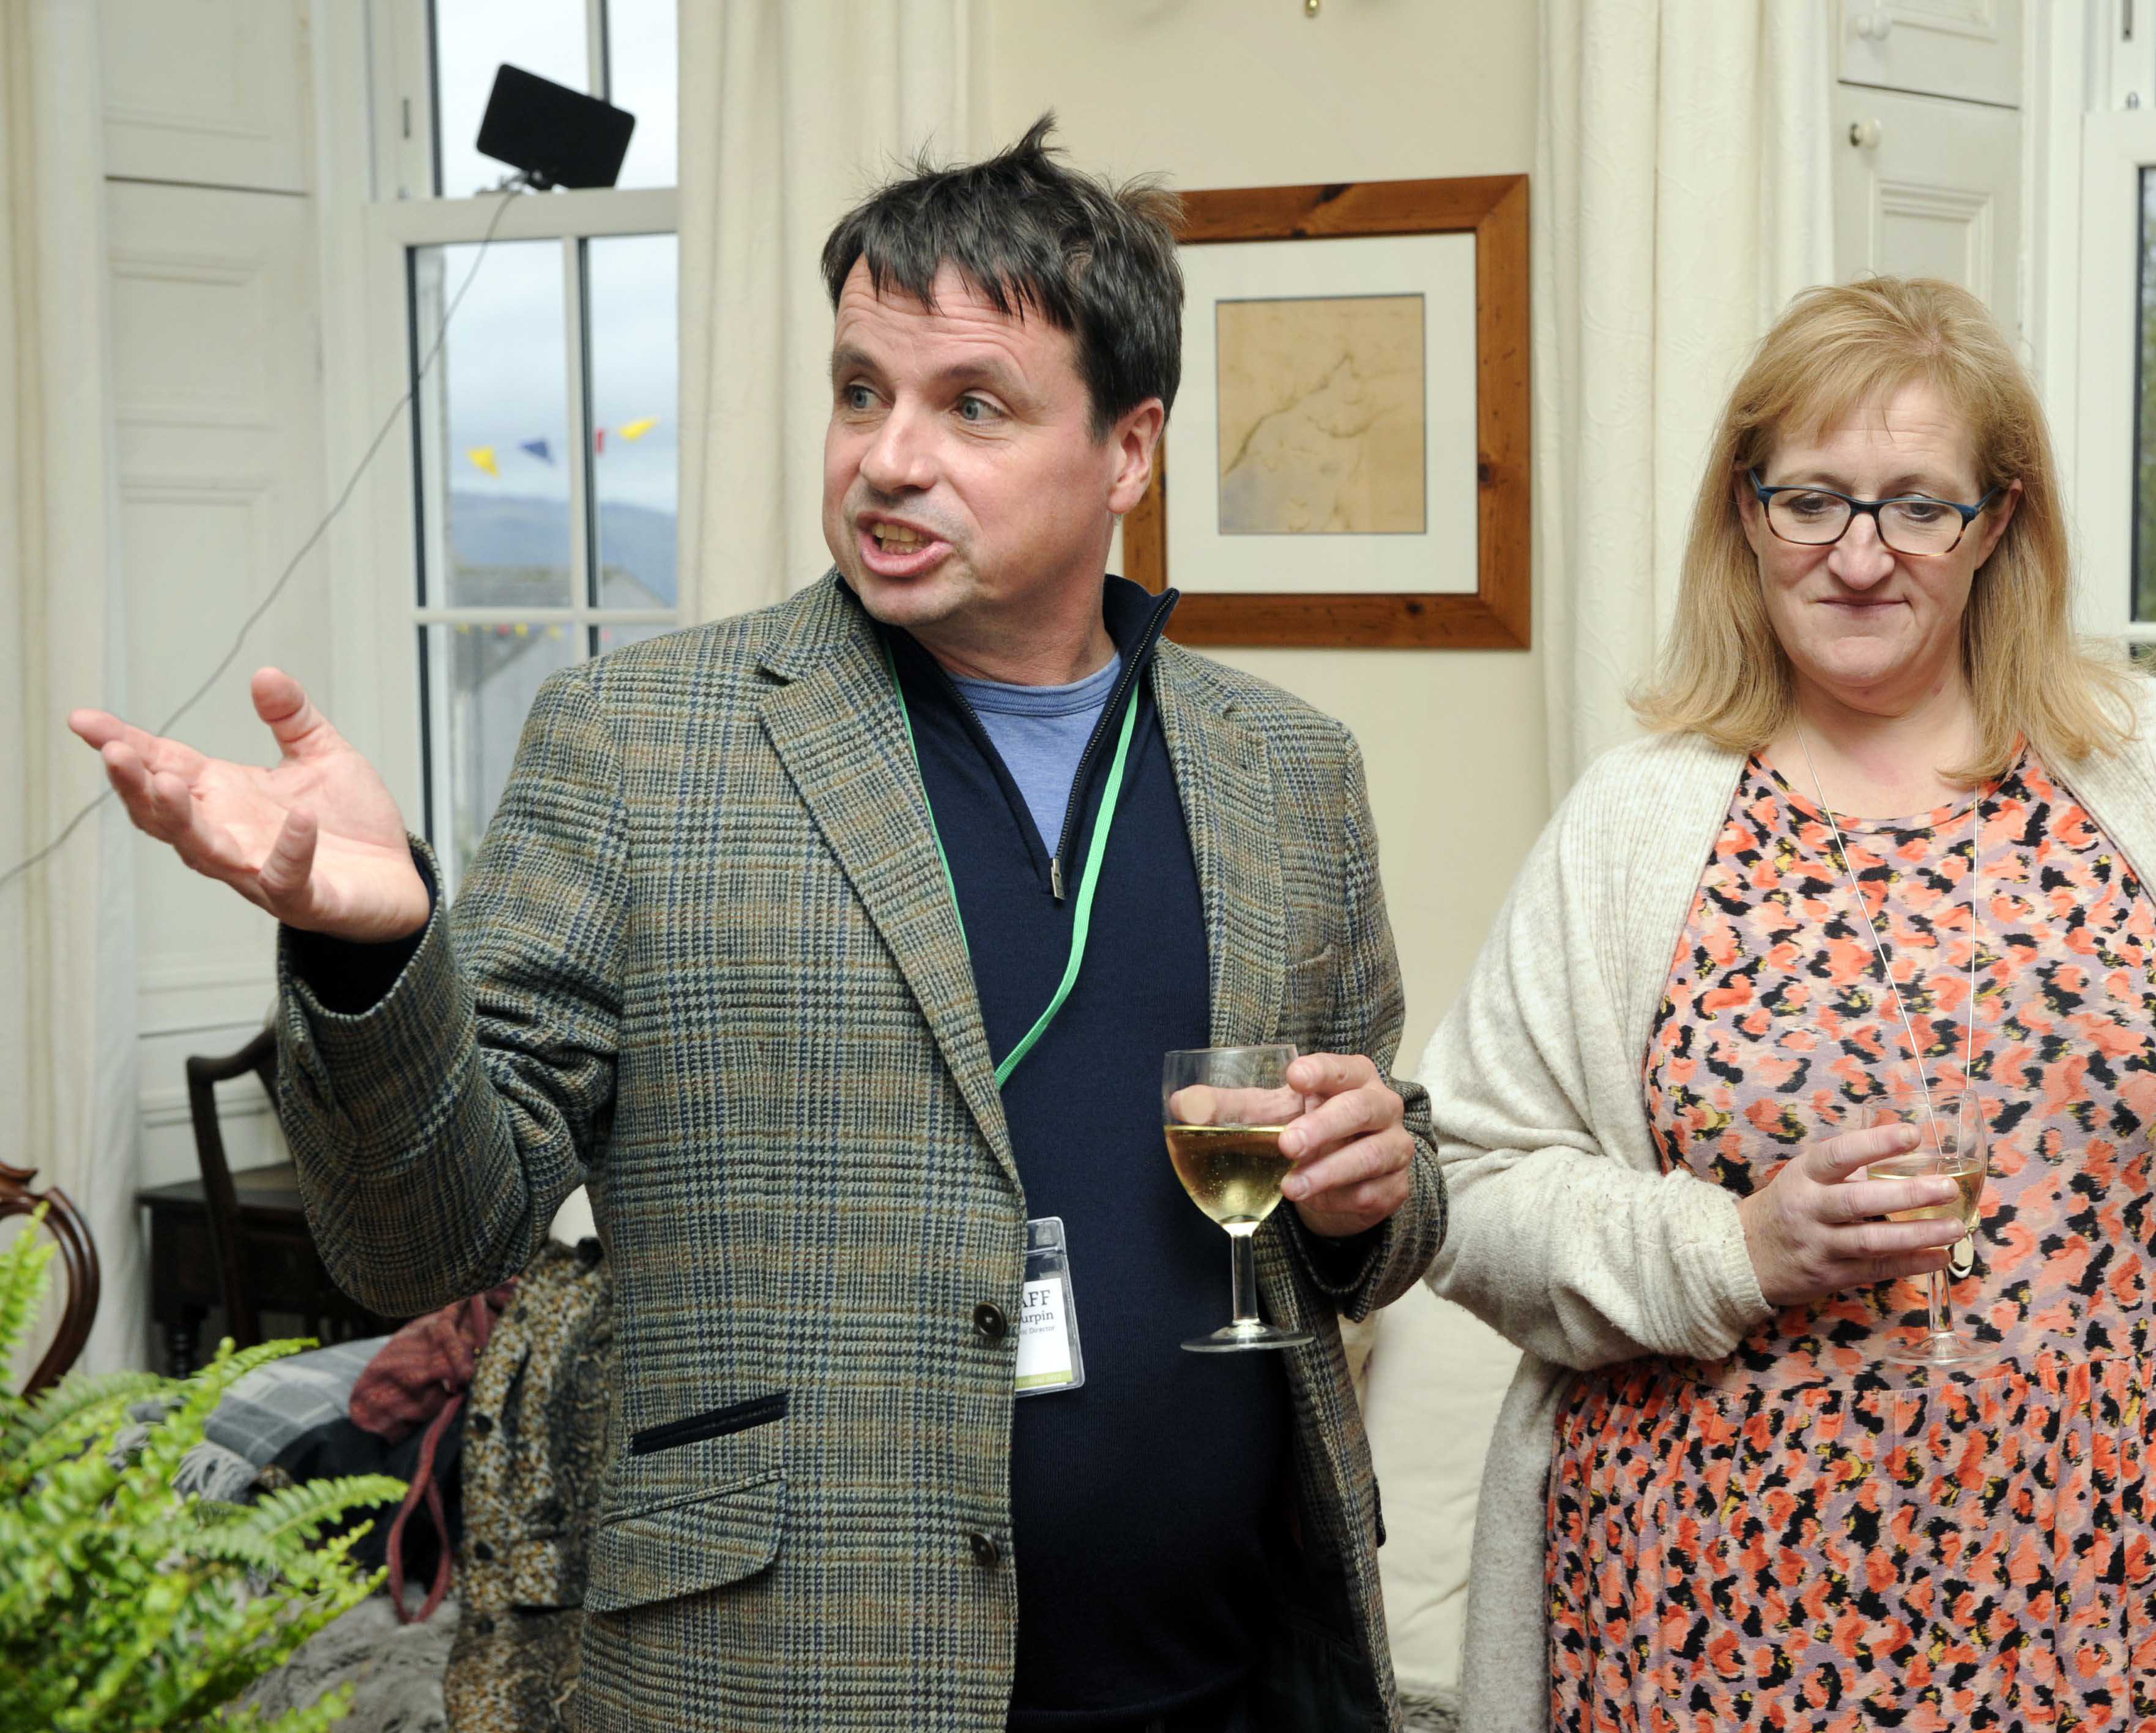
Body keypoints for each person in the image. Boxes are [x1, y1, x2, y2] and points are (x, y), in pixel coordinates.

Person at [67, 118, 1443, 1733]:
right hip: (786, 1679)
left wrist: (1374, 1193)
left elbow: (1380, 1171)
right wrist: (378, 953)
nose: (888, 455)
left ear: (1129, 452)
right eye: (861, 389)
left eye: (971, 405)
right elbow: (426, 1238)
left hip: (1228, 1683)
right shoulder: (643, 742)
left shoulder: (1289, 770)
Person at [1422, 277, 2156, 1731]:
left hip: (2128, 1614)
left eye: (1917, 504)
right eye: (1813, 501)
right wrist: (1733, 1245)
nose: (1861, 556)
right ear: (1747, 514)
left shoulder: (2155, 771)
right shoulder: (1632, 827)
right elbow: (1465, 1189)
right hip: (1704, 1622)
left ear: (1996, 526)